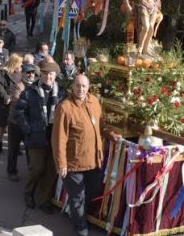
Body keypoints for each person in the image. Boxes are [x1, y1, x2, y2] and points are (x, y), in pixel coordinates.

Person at [52, 74, 121, 236]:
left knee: (92, 191)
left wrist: (112, 135)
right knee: (77, 197)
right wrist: (61, 164)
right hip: (74, 163)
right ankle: (80, 226)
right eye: (77, 86)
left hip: (94, 161)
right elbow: (58, 139)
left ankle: (79, 215)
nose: (81, 89)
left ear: (88, 87)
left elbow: (101, 125)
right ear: (72, 87)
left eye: (84, 86)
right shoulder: (65, 108)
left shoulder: (94, 102)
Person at [16, 57, 64, 213]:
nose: (48, 77)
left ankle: (44, 200)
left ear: (55, 75)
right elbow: (19, 112)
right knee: (36, 168)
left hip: (55, 137)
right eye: (45, 74)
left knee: (51, 170)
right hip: (36, 136)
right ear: (40, 74)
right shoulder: (30, 92)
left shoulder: (62, 93)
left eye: (51, 74)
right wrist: (28, 129)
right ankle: (28, 193)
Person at [7, 61, 36, 181]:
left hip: (29, 122)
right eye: (28, 72)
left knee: (30, 148)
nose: (31, 75)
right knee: (13, 148)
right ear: (23, 73)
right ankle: (12, 171)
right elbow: (16, 102)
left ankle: (31, 171)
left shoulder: (35, 86)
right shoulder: (18, 86)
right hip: (15, 123)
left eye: (33, 72)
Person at [0, 53, 21, 153]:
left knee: (14, 126)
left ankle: (14, 147)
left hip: (15, 102)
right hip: (4, 103)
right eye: (19, 63)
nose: (20, 65)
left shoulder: (20, 73)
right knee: (2, 125)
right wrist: (6, 97)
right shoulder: (3, 72)